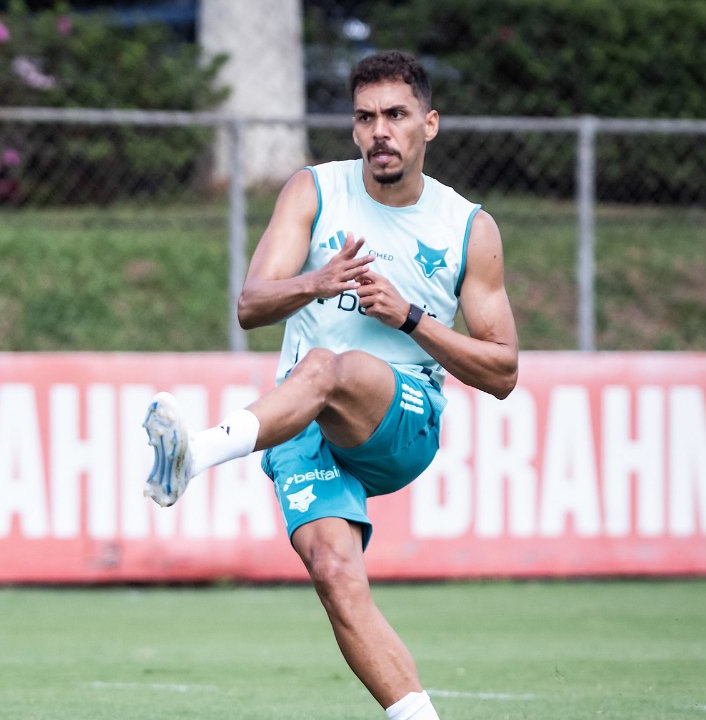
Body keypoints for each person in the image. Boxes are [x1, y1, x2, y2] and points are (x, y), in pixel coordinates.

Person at [142, 50, 519, 720]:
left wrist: (409, 317)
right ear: (352, 130)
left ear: (428, 125)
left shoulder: (468, 227)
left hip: (401, 418)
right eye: (366, 117)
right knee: (336, 575)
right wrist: (317, 281)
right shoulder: (313, 191)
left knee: (325, 366)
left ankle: (194, 455)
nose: (380, 130)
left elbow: (502, 371)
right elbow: (251, 304)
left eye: (396, 115)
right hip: (302, 421)